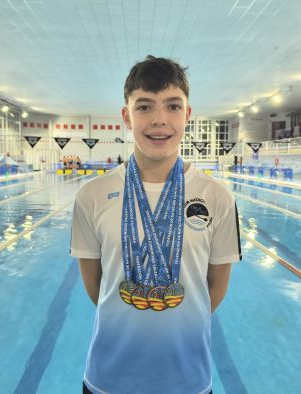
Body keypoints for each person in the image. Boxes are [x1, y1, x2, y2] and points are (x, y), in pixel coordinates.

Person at [71, 55, 241, 394]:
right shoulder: (92, 195)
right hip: (108, 379)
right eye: (145, 107)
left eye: (173, 106)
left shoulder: (218, 197)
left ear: (188, 114)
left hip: (188, 379)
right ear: (126, 115)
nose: (159, 120)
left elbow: (216, 290)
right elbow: (95, 286)